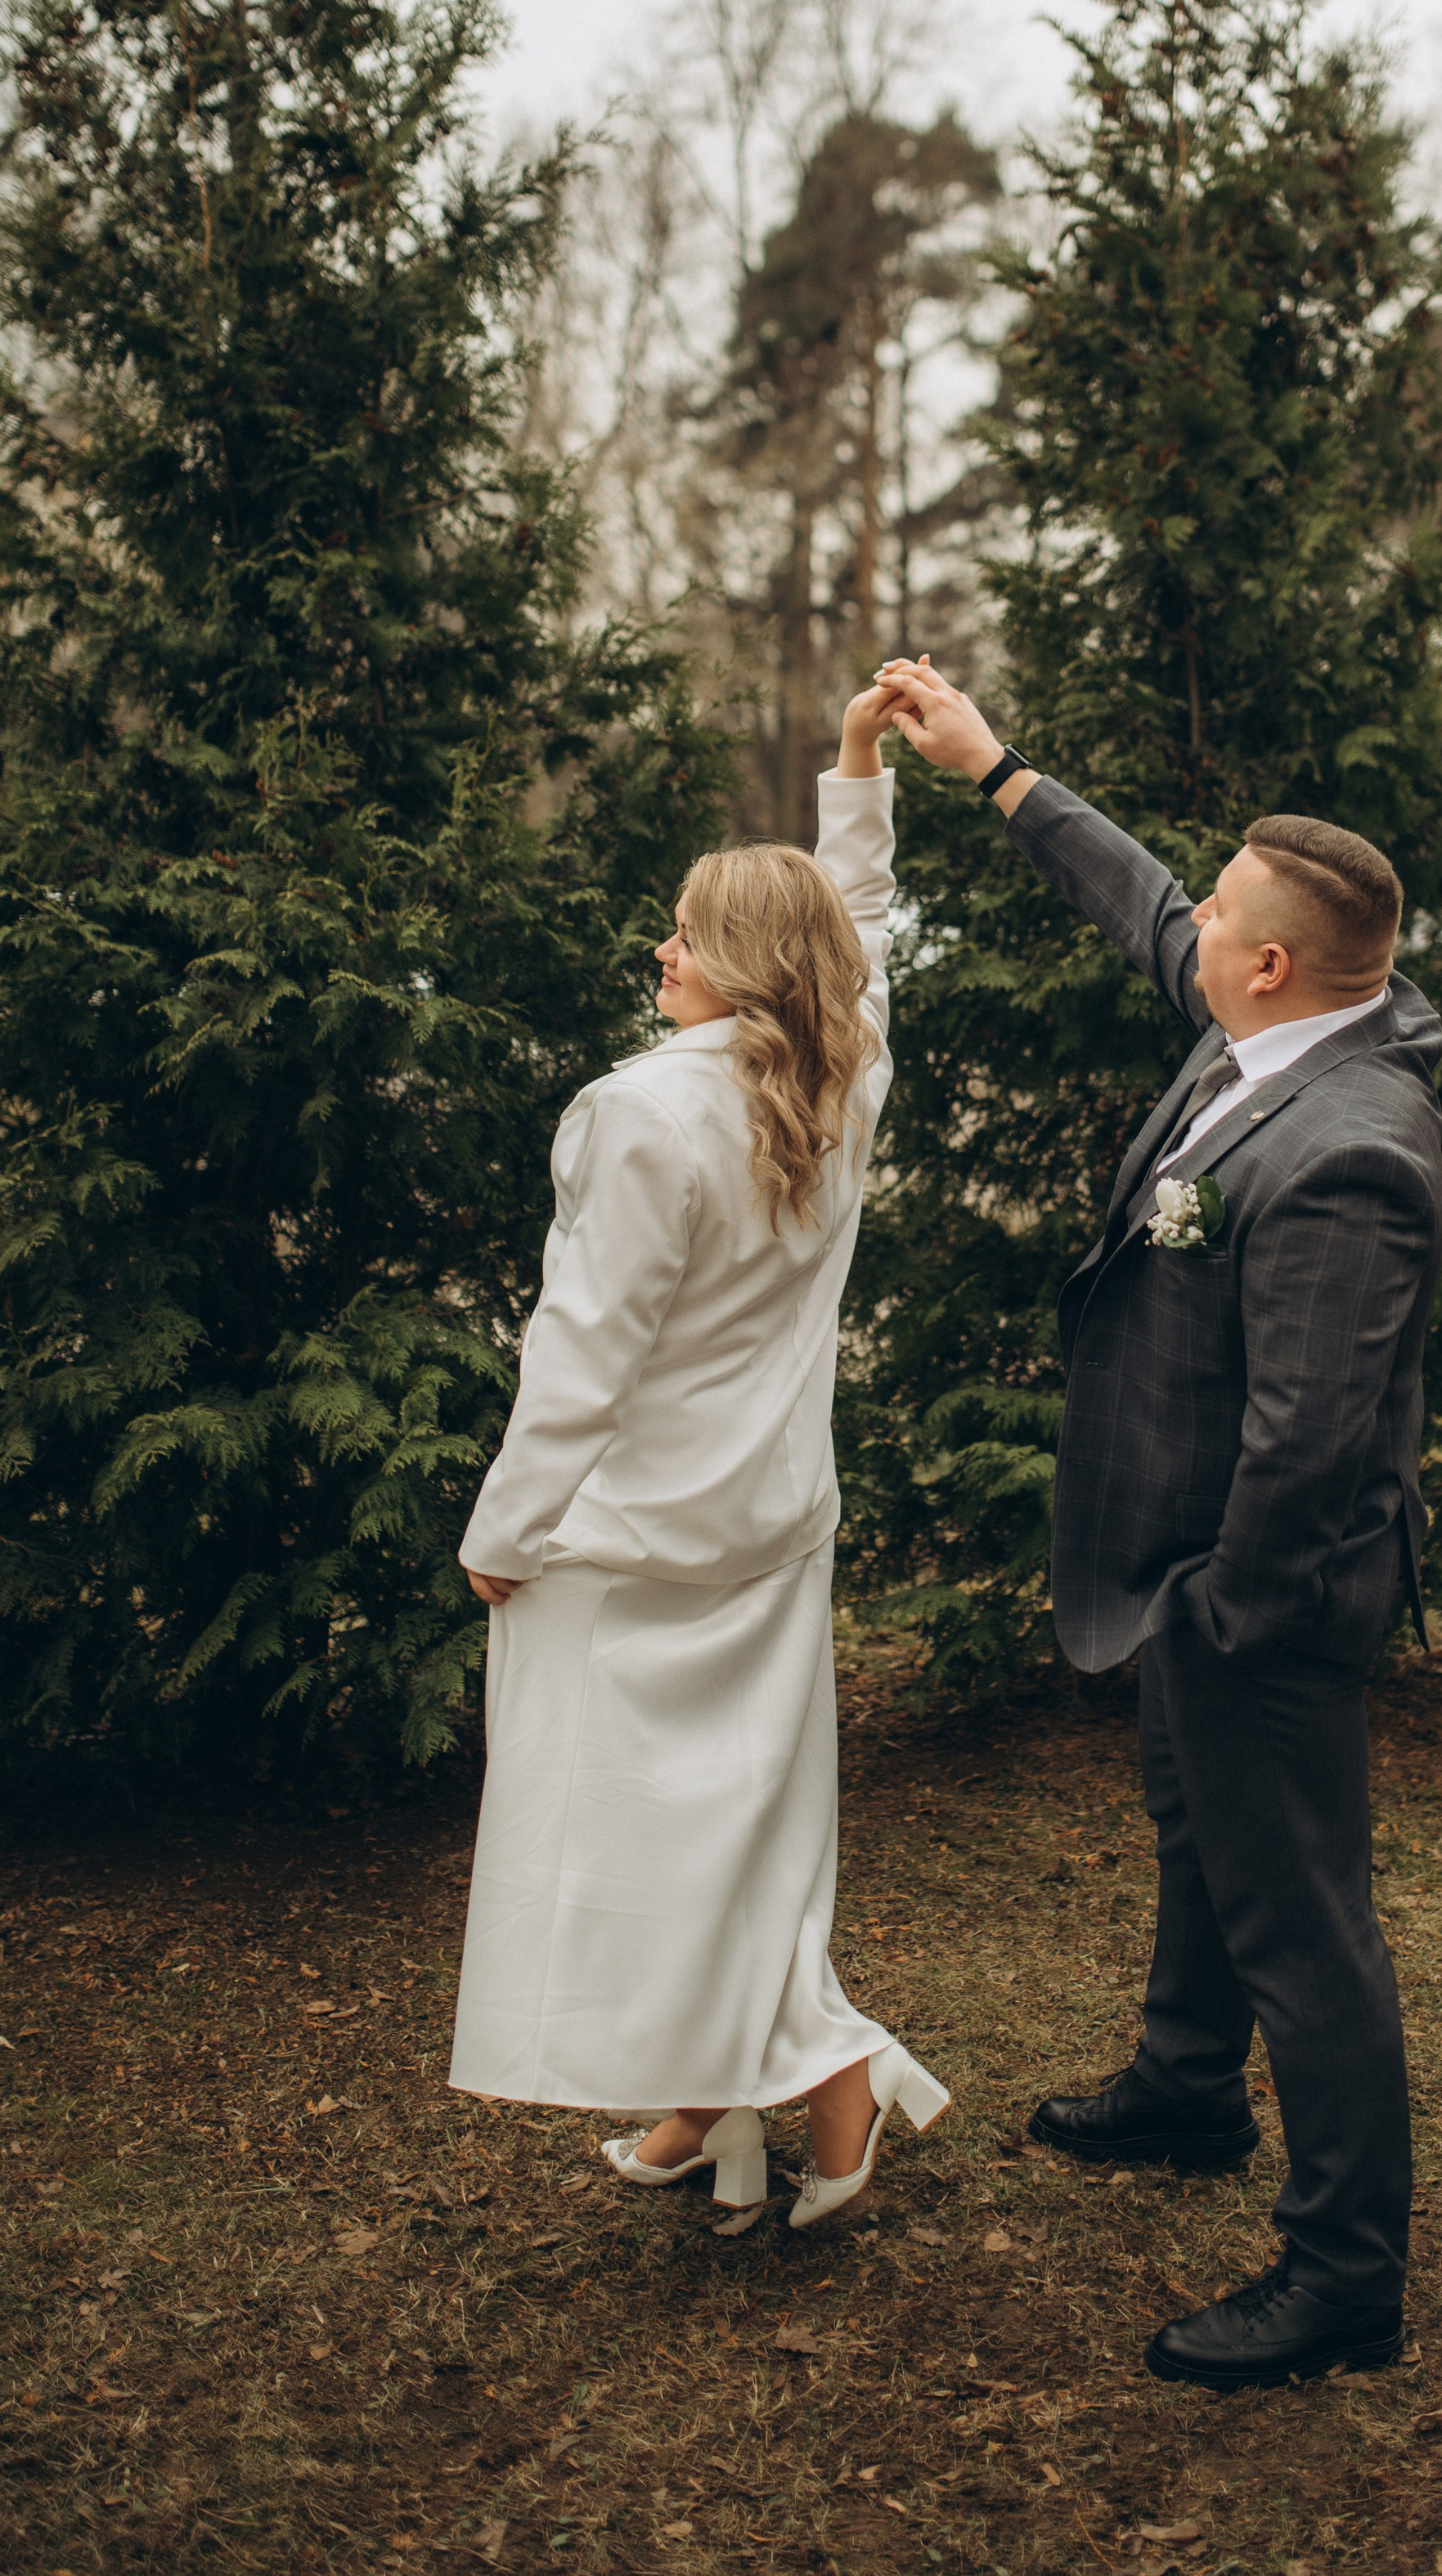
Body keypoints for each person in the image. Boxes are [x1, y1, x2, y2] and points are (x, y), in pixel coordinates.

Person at [878, 656, 1442, 2391]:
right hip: (1180, 1578)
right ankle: (1188, 2085)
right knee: (1192, 1831)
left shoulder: (1348, 1145)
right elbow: (1139, 903)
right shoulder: (1261, 1027)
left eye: (1217, 912)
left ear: (1267, 962)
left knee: (1303, 1921)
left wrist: (1221, 1608)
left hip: (1253, 1602)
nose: (1184, 919)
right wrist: (993, 773)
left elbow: (1314, 1439)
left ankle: (1342, 2271)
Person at [447, 688, 948, 2228]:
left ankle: (826, 2074)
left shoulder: (639, 1112)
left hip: (628, 1547)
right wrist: (855, 772)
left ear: (740, 964)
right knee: (740, 1825)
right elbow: (856, 921)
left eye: (683, 935)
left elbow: (580, 1357)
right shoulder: (840, 1078)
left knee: (631, 1837)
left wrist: (504, 1530)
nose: (660, 955)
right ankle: (708, 2101)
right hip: (772, 1526)